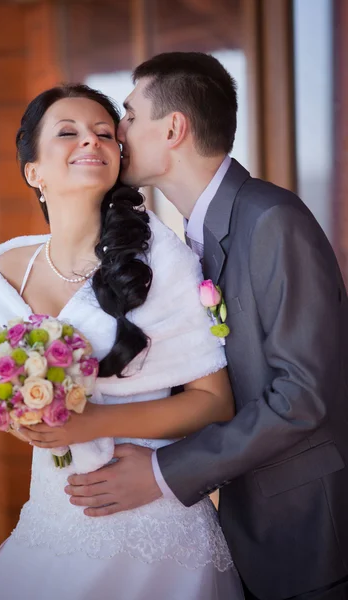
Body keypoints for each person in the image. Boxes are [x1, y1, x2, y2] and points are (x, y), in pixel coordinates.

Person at [66, 53, 348, 600]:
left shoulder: (273, 221)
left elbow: (302, 397)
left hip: (308, 533)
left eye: (127, 115)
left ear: (173, 128)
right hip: (241, 528)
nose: (117, 134)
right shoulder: (182, 240)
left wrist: (163, 472)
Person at [0, 83, 244, 600]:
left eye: (103, 133)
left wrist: (94, 422)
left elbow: (215, 402)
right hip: (52, 517)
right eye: (68, 133)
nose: (91, 142)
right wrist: (27, 418)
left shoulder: (160, 263)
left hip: (151, 525)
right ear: (35, 172)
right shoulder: (3, 270)